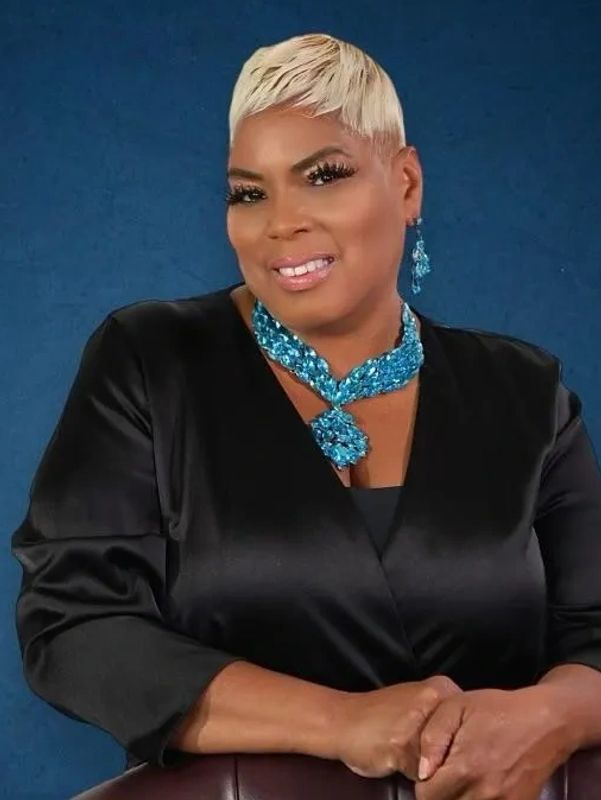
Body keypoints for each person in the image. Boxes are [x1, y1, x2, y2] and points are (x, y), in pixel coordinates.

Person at [11, 31, 601, 800]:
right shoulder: (150, 359)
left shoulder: (524, 390)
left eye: (323, 176)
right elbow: (73, 629)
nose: (280, 222)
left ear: (407, 182)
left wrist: (550, 716)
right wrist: (342, 723)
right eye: (248, 192)